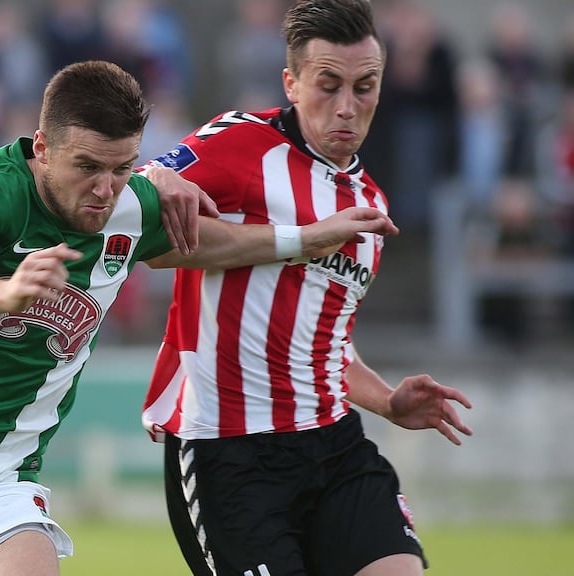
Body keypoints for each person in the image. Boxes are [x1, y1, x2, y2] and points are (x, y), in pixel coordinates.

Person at [0, 59, 398, 576]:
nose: (106, 190)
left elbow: (204, 243)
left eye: (123, 167)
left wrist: (305, 239)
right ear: (43, 148)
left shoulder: (130, 204)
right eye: (88, 167)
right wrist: (3, 294)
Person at [140, 2, 474, 575]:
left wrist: (386, 401)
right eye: (328, 85)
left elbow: (324, 342)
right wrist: (302, 239)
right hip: (229, 452)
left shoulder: (370, 205)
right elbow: (150, 241)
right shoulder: (240, 143)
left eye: (364, 87)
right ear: (291, 83)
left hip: (334, 443)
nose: (347, 107)